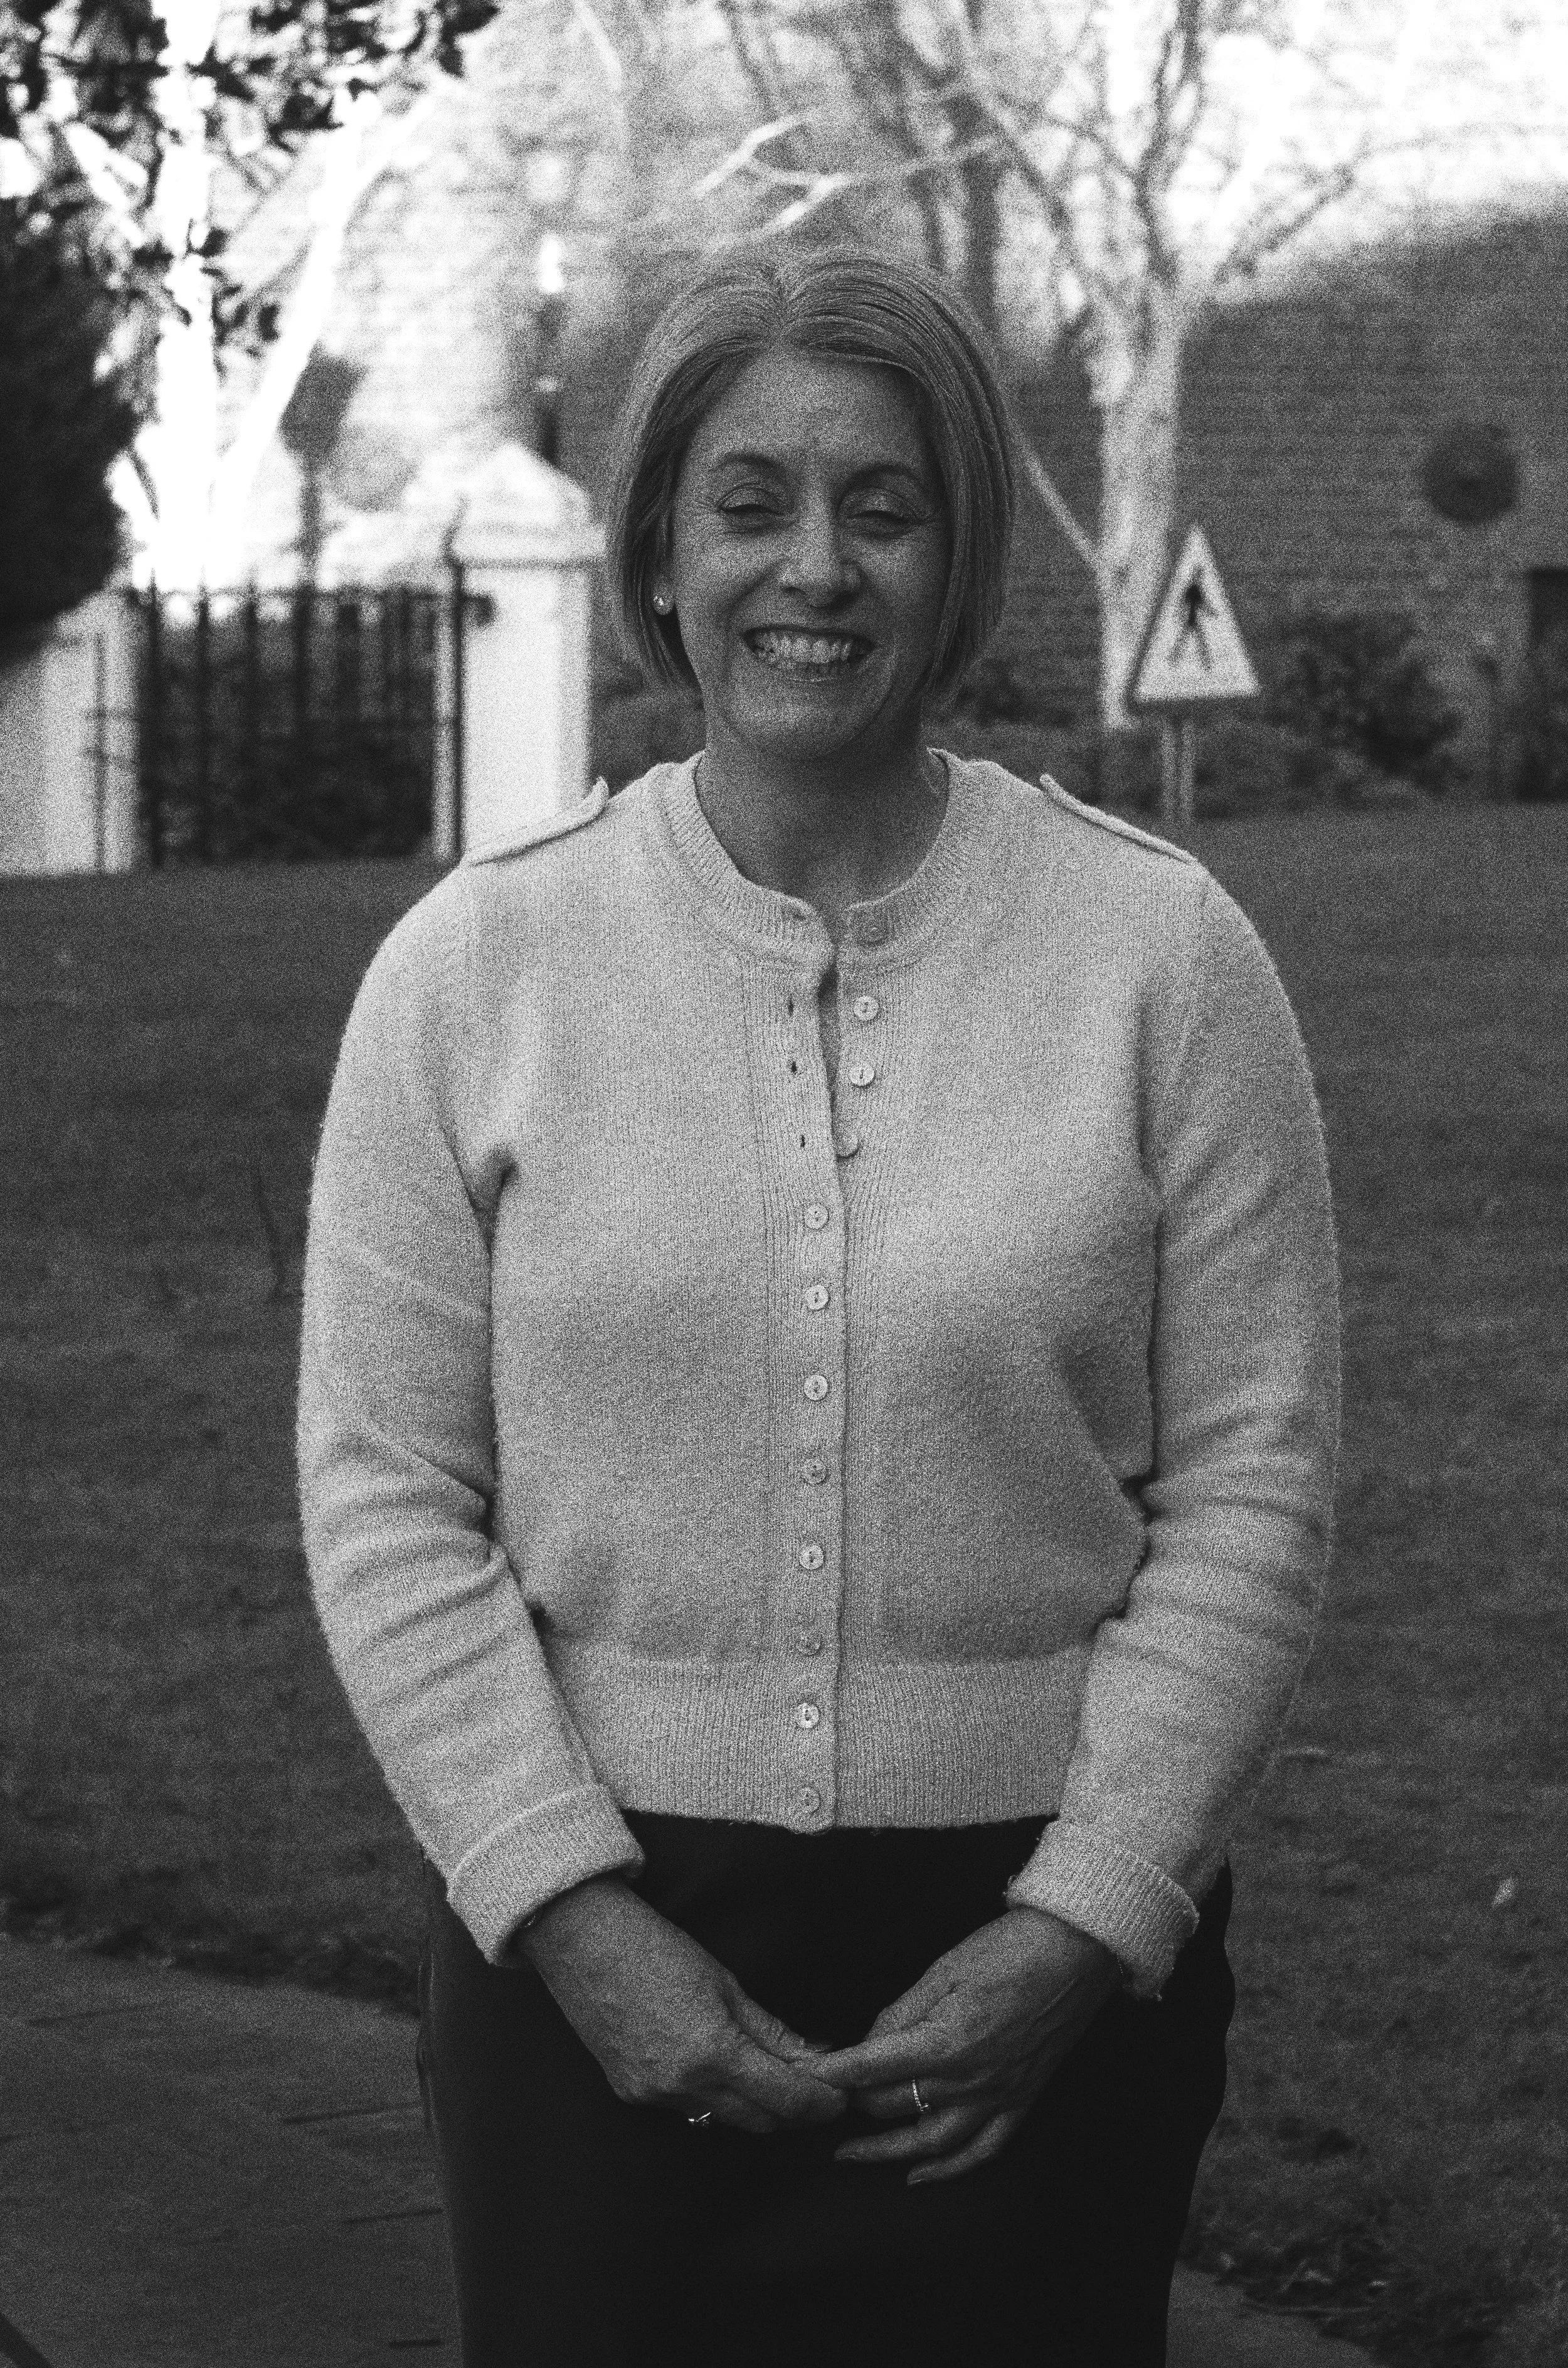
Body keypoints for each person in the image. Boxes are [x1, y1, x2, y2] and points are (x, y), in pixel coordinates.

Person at [297, 246, 1340, 2368]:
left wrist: (1082, 1920)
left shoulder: (1165, 961)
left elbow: (1255, 1479)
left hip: (1035, 1973)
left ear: (953, 560)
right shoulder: (469, 976)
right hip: (588, 1952)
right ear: (662, 551)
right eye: (751, 500)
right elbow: (387, 1494)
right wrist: (588, 1938)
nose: (815, 566)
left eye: (884, 505)